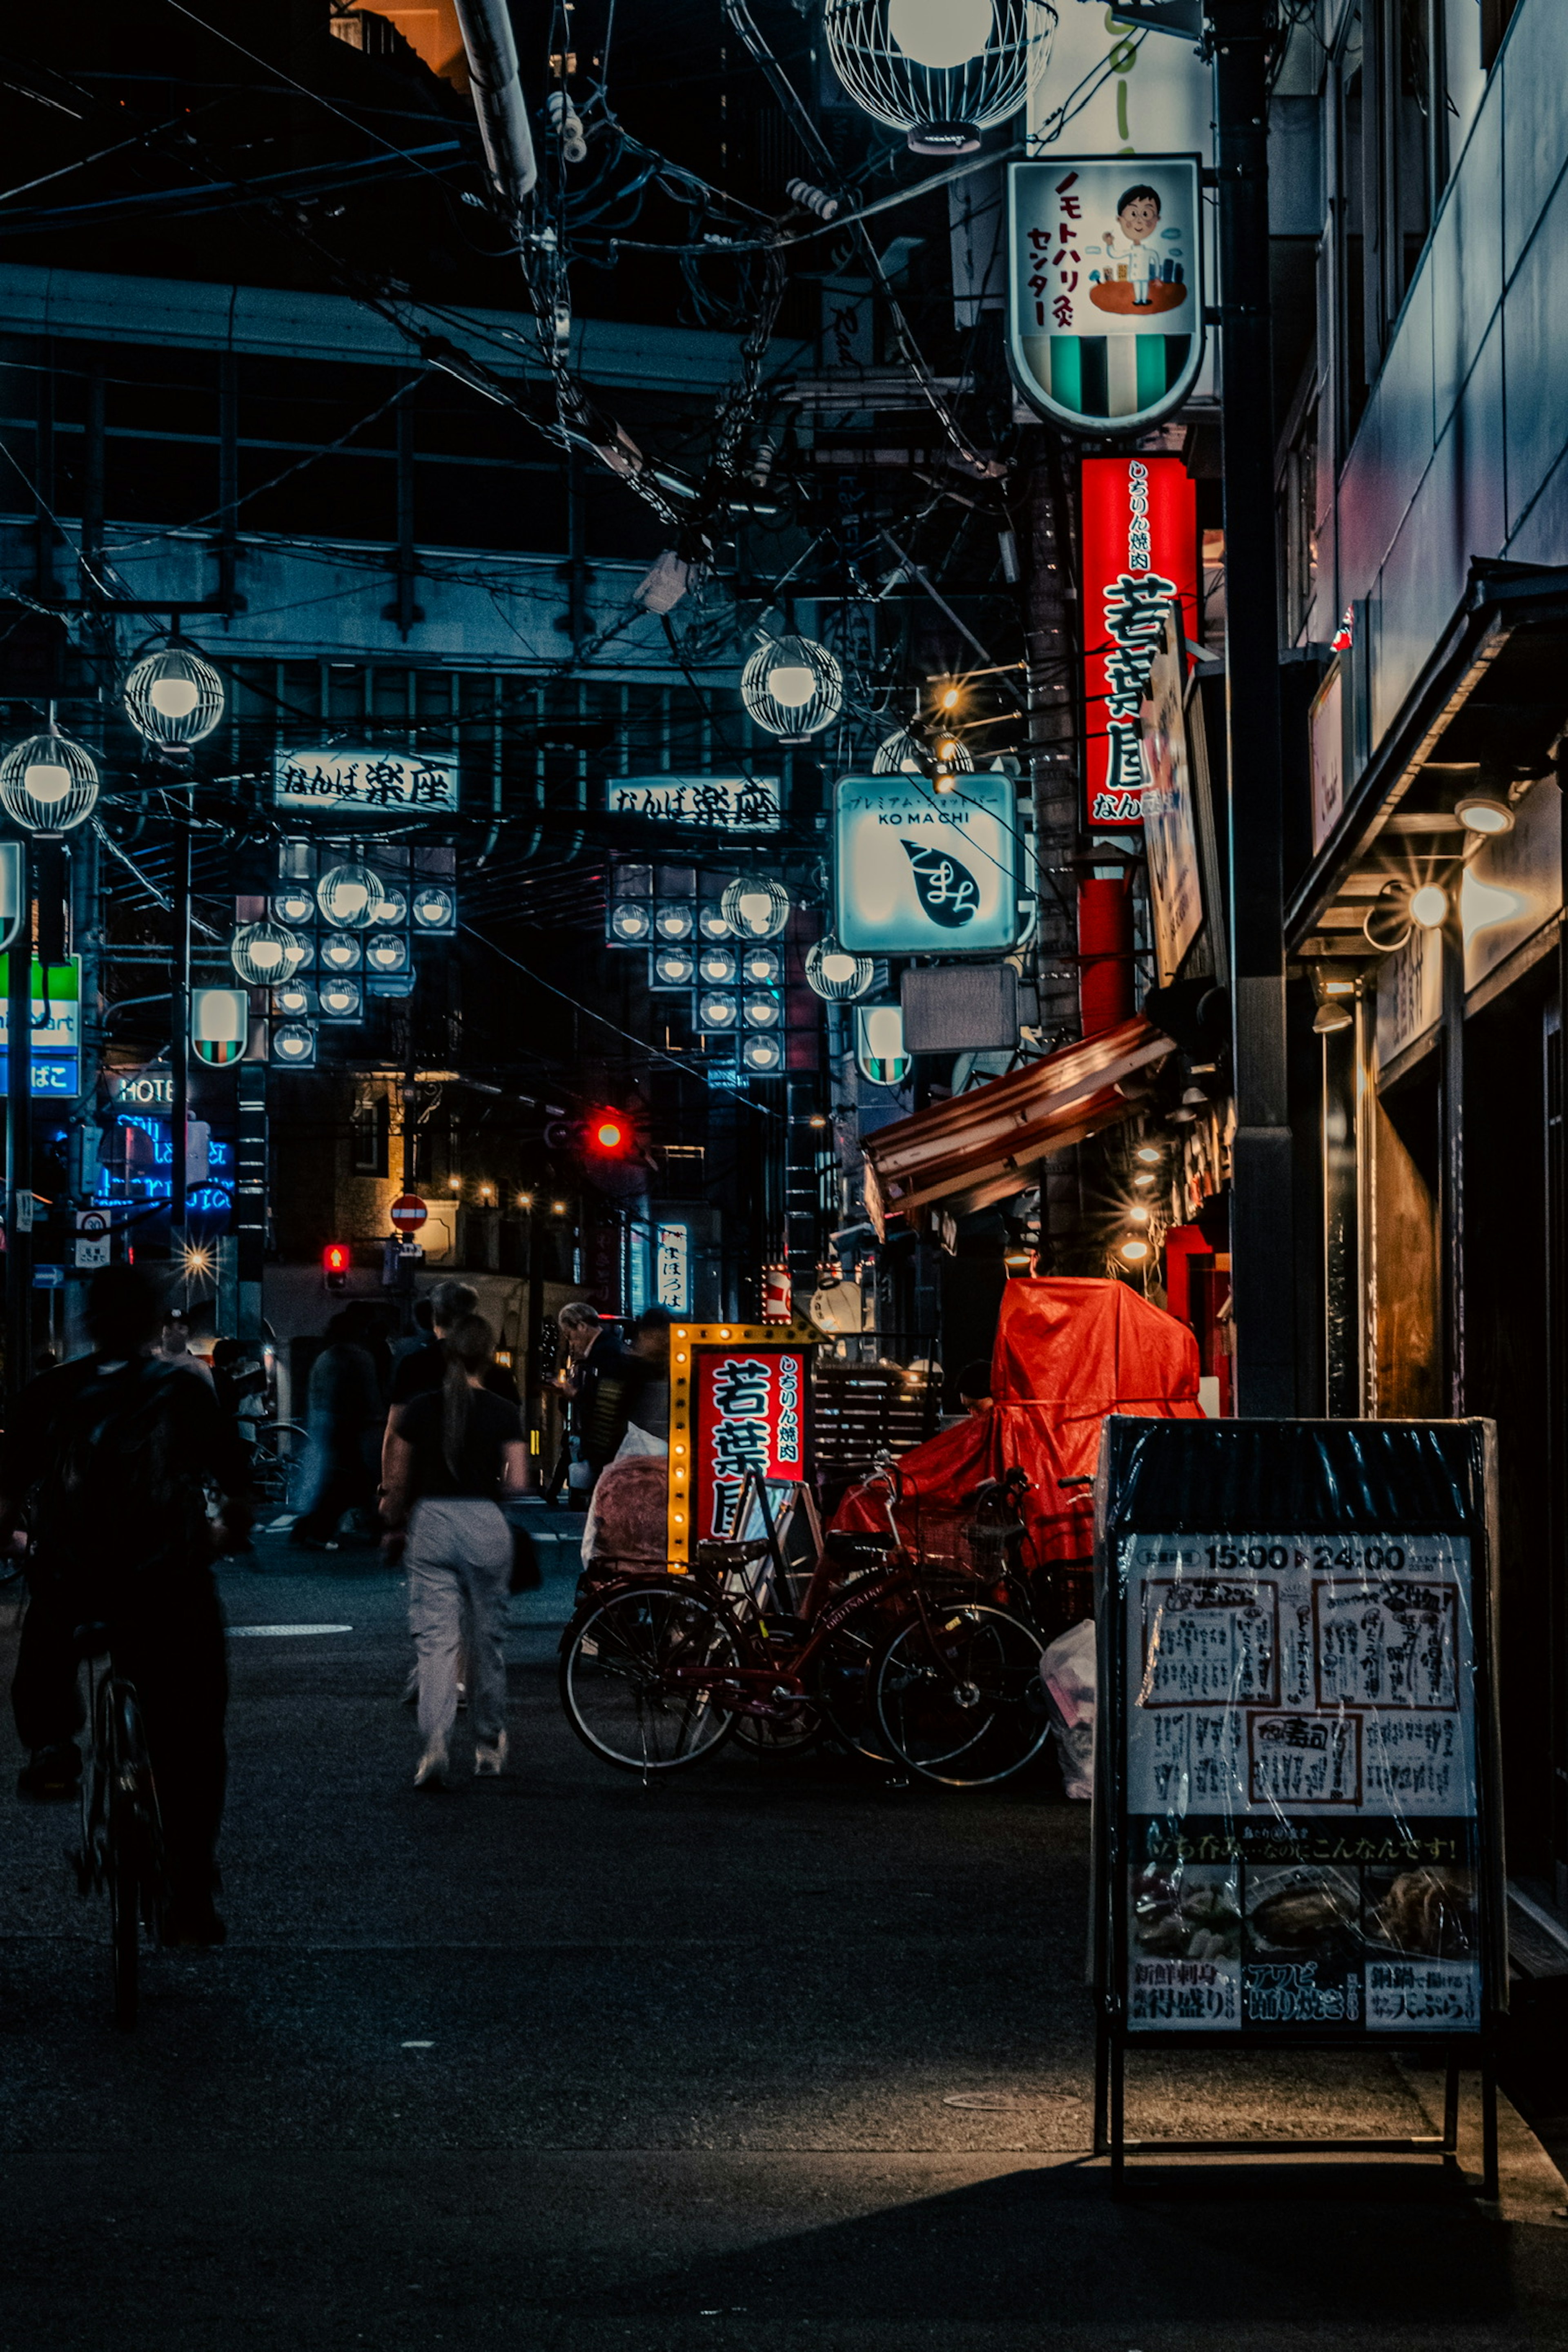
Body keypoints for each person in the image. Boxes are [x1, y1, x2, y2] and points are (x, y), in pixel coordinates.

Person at [3, 1264, 253, 1944]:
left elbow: (7, 1486)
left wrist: (20, 1536)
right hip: (166, 1581)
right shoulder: (183, 1391)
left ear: (88, 1324)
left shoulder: (50, 1393)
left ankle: (53, 1744)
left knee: (46, 1627)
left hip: (75, 1580)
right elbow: (235, 1480)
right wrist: (229, 1528)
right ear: (154, 1326)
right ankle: (190, 1893)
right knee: (194, 1737)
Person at [381, 1314, 530, 1788]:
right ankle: (488, 1746)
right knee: (488, 1641)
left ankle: (435, 1746)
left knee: (436, 1643)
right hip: (486, 1522)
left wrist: (392, 1519)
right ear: (487, 1358)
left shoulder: (420, 1410)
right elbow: (520, 1481)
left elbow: (397, 1482)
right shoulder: (504, 1411)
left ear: (448, 1354)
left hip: (433, 1524)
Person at [291, 1306, 382, 1548]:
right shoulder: (359, 1357)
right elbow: (368, 1396)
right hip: (349, 1427)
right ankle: (322, 1528)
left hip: (327, 1424)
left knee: (338, 1479)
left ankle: (309, 1528)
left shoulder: (326, 1357)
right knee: (352, 1480)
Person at [553, 1302, 638, 1499]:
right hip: (606, 1439)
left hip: (606, 1440)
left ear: (582, 1326)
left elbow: (607, 1399)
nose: (570, 1341)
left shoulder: (605, 1352)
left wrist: (574, 1393)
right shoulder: (607, 1348)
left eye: (569, 1334)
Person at [159, 1309, 214, 1385]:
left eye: (180, 1328)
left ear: (189, 1334)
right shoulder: (151, 1365)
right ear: (162, 1332)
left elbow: (211, 1396)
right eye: (170, 1327)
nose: (175, 1332)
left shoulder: (199, 1367)